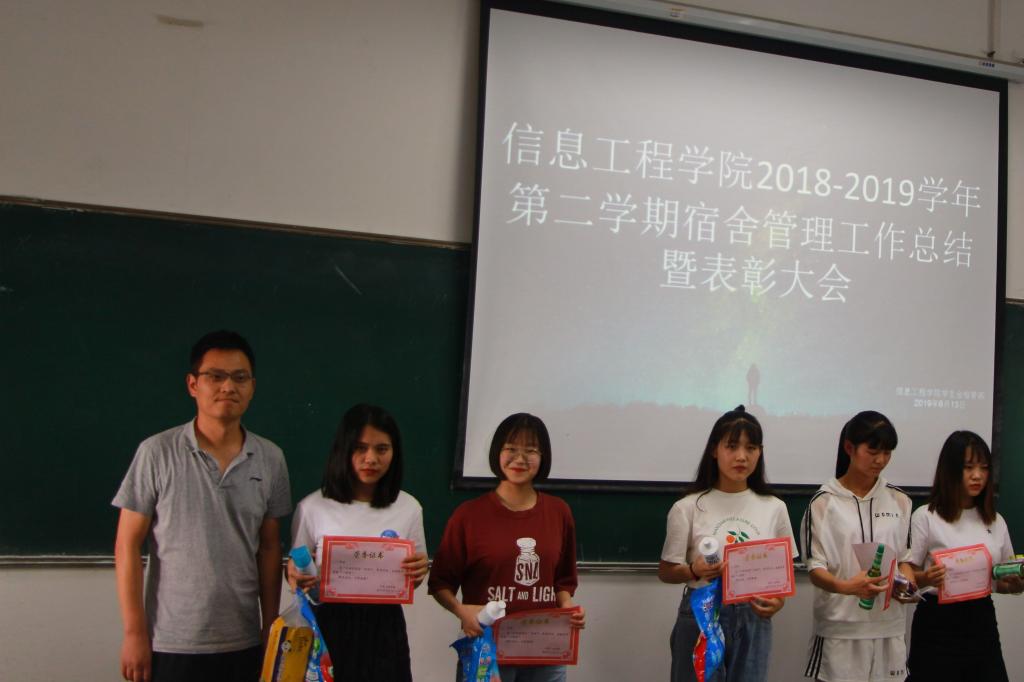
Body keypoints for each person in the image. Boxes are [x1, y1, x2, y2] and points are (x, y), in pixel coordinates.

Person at [112, 330, 292, 682]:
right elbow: (126, 545)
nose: (228, 387)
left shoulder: (271, 458)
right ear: (193, 384)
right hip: (170, 641)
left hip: (243, 640)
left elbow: (270, 548)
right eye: (215, 376)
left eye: (239, 377)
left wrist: (269, 626)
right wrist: (134, 633)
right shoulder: (156, 453)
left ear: (252, 387)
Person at [429, 412, 586, 682]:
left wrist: (569, 610)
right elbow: (440, 582)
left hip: (544, 652)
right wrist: (462, 611)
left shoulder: (559, 512)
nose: (520, 458)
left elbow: (563, 580)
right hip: (486, 649)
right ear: (497, 453)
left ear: (543, 456)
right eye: (511, 448)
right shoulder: (469, 515)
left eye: (531, 450)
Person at [288, 404, 429, 682]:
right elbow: (296, 572)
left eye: (382, 449)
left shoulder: (408, 507)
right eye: (360, 448)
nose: (371, 458)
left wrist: (418, 572)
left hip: (384, 630)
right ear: (343, 449)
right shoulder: (313, 507)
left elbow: (414, 580)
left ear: (394, 453)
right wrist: (294, 574)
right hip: (327, 627)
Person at [659, 405, 796, 682]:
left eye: (751, 448)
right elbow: (666, 571)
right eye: (731, 447)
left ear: (760, 452)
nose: (741, 457)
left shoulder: (774, 507)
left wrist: (778, 601)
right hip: (702, 612)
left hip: (753, 615)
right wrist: (693, 570)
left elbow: (783, 572)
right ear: (714, 450)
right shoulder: (688, 507)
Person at [800, 411, 915, 682]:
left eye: (887, 452)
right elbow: (815, 568)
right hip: (840, 631)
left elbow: (905, 560)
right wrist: (846, 587)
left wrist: (908, 585)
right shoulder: (823, 502)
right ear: (849, 448)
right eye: (872, 451)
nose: (880, 460)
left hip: (890, 630)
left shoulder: (900, 500)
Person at [902, 431, 1022, 682]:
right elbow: (908, 576)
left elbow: (1001, 580)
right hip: (937, 623)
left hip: (981, 621)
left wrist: (1015, 584)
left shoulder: (995, 520)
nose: (977, 475)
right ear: (950, 469)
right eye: (968, 467)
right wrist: (926, 578)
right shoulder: (926, 516)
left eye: (984, 468)